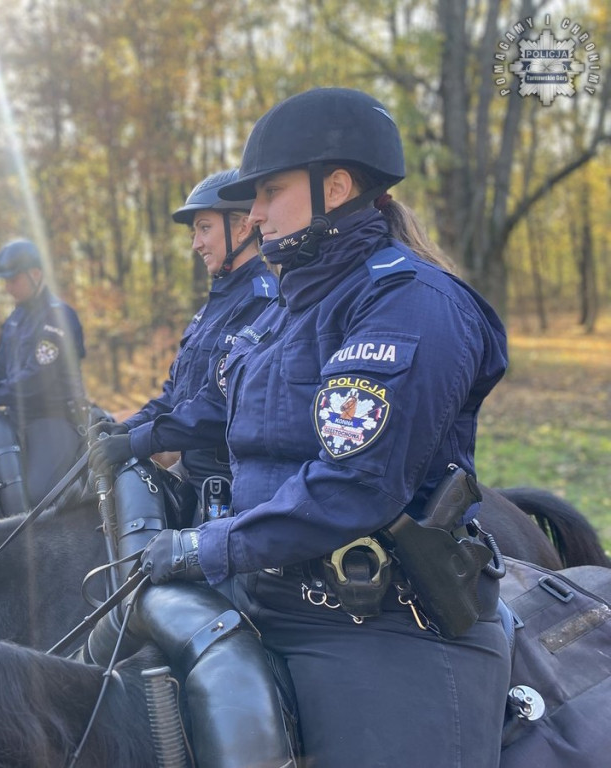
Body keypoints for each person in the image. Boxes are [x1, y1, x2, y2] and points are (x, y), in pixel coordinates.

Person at [139, 87, 512, 767]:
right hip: (264, 590)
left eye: (269, 192)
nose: (252, 214)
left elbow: (355, 485)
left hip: (380, 620)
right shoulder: (289, 307)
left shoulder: (409, 302)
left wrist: (206, 546)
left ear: (334, 186)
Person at [88, 168, 279, 525]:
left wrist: (138, 442)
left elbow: (217, 407)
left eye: (204, 228)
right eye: (195, 233)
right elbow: (175, 396)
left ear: (242, 227)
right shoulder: (211, 308)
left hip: (232, 496)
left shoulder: (262, 302)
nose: (196, 243)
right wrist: (127, 428)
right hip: (193, 481)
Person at [0, 238, 86, 513]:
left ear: (35, 274)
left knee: (37, 495)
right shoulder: (15, 319)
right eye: (5, 282)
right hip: (17, 416)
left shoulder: (58, 318)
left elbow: (38, 381)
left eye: (13, 280)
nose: (7, 288)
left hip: (54, 417)